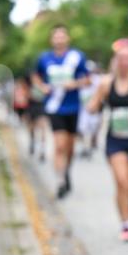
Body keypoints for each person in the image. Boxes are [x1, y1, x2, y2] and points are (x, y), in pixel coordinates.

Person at [87, 39, 128, 242]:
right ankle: (125, 224)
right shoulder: (106, 83)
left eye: (127, 59)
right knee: (122, 182)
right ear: (115, 61)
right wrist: (95, 103)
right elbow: (92, 107)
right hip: (116, 140)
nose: (123, 62)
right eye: (120, 58)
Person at [32, 25, 90, 199]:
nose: (59, 39)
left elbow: (87, 79)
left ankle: (66, 172)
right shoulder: (44, 58)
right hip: (54, 107)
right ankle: (59, 181)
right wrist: (42, 87)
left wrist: (75, 84)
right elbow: (35, 76)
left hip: (72, 107)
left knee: (70, 147)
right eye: (55, 36)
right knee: (59, 145)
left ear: (67, 38)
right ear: (51, 40)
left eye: (62, 36)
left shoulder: (77, 57)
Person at [77, 61, 101, 159]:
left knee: (93, 128)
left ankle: (90, 146)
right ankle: (84, 147)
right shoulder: (79, 80)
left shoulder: (97, 81)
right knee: (82, 129)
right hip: (82, 110)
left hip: (94, 110)